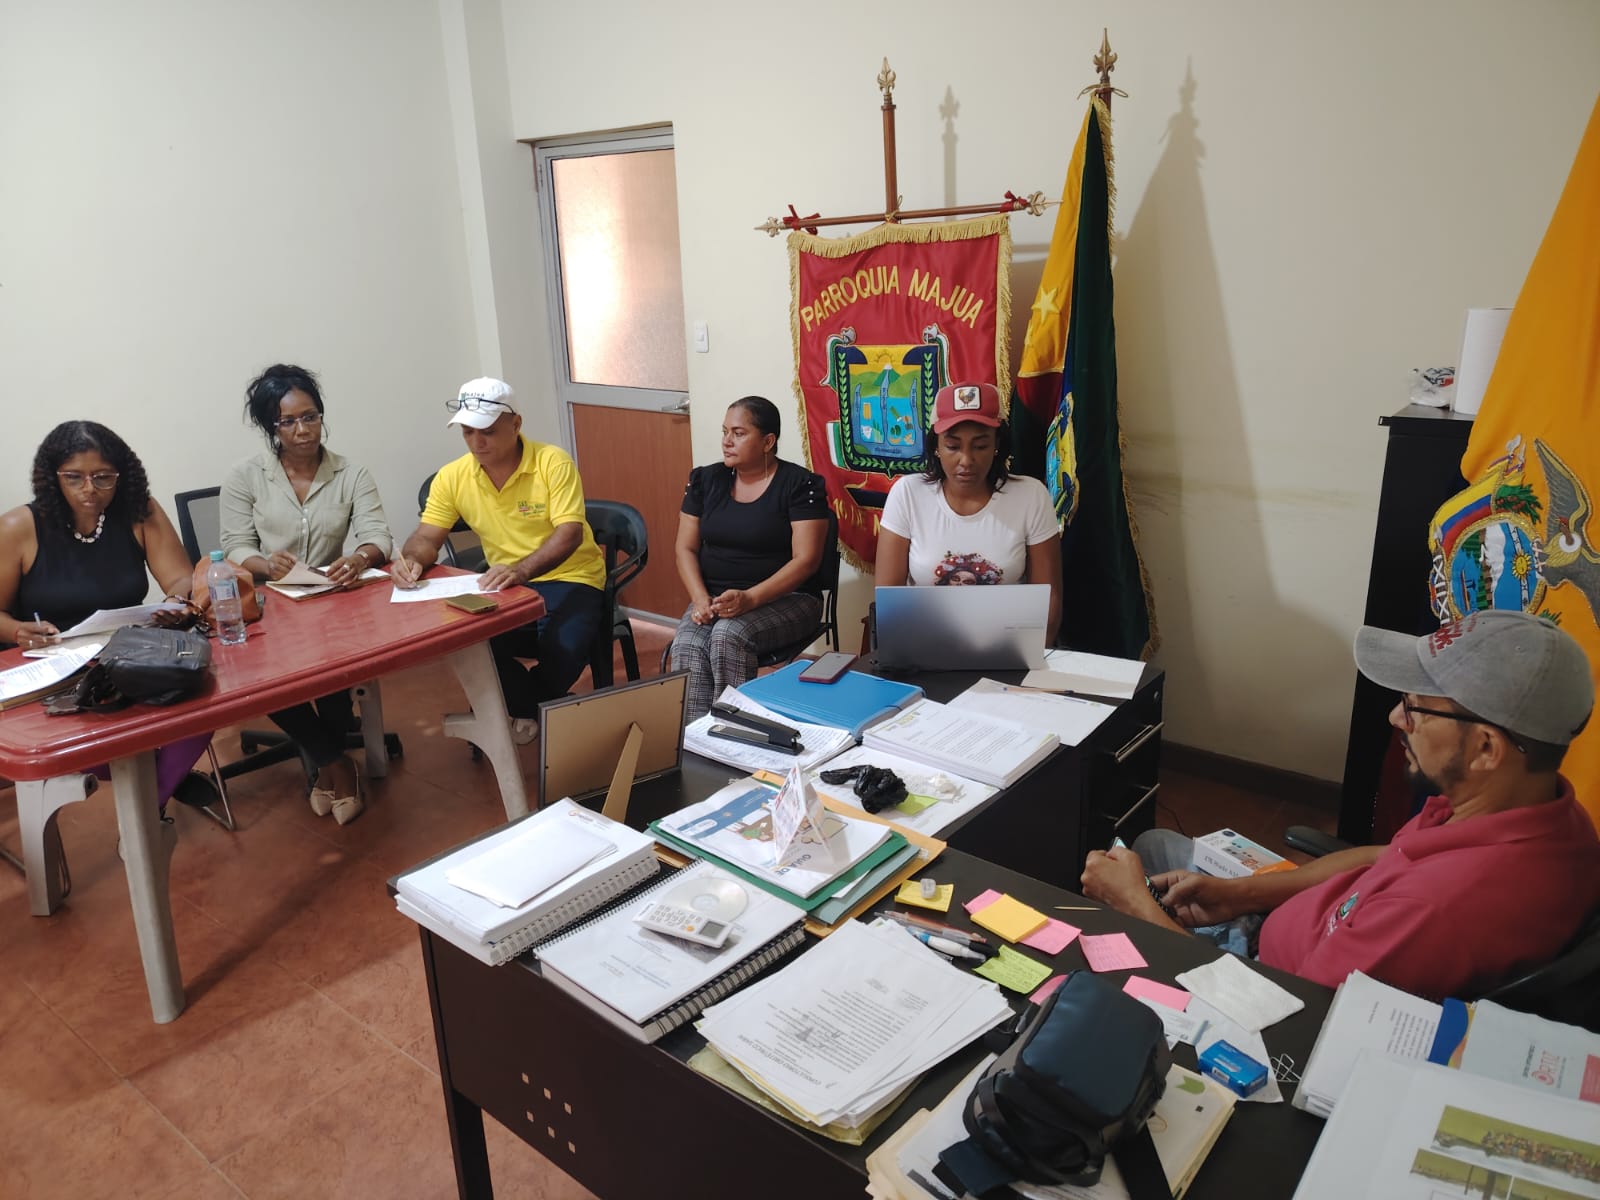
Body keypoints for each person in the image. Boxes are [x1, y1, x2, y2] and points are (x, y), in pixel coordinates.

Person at [1081, 609, 1600, 1001]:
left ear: (1486, 748)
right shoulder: (1541, 813)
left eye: (1416, 708)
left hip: (1264, 986)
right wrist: (1240, 894)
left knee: (1097, 936)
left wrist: (1136, 908)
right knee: (1155, 845)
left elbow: (1280, 1016)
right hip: (1290, 930)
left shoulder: (1436, 911)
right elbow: (1384, 857)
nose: (1397, 718)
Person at [0, 421, 214, 814]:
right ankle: (161, 783)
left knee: (205, 702)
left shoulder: (139, 512)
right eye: (74, 478)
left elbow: (181, 578)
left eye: (103, 477)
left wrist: (174, 600)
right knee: (95, 743)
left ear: (121, 475)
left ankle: (149, 806)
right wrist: (16, 630)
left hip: (128, 656)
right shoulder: (20, 527)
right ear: (52, 477)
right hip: (55, 670)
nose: (90, 489)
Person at [219, 363, 393, 824]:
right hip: (273, 605)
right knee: (264, 680)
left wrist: (360, 558)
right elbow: (235, 544)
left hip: (334, 601)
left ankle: (326, 769)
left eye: (310, 417)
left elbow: (378, 536)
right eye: (288, 421)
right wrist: (264, 564)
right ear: (270, 427)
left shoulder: (351, 473)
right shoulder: (245, 476)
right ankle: (336, 763)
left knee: (333, 674)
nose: (302, 430)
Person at [393, 377, 606, 741]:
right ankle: (541, 707)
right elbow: (427, 537)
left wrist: (521, 570)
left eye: (488, 432)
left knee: (565, 648)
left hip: (571, 575)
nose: (477, 443)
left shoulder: (552, 462)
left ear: (516, 424)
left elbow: (569, 533)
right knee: (466, 644)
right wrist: (412, 558)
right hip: (503, 583)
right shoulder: (453, 476)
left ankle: (525, 707)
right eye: (468, 433)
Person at [670, 396, 829, 721]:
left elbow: (807, 560)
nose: (727, 441)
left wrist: (751, 598)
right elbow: (684, 548)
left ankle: (735, 730)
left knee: (728, 635)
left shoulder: (800, 485)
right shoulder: (704, 480)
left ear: (768, 441)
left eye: (739, 433)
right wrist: (699, 599)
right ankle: (694, 740)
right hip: (715, 598)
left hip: (790, 599)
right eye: (725, 432)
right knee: (687, 643)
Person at [875, 382, 1061, 644]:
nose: (966, 460)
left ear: (997, 445)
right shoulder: (907, 494)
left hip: (1008, 646)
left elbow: (1048, 600)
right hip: (924, 645)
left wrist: (1032, 656)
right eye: (953, 446)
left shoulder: (1031, 496)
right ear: (936, 446)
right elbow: (889, 600)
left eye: (980, 446)